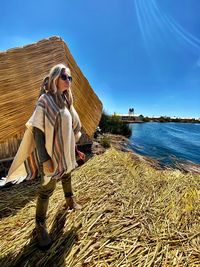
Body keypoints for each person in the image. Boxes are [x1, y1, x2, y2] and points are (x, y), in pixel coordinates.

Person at [7, 63, 85, 249]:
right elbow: (37, 132)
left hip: (65, 154)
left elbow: (69, 133)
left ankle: (69, 201)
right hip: (50, 156)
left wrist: (75, 151)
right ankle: (40, 225)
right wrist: (45, 160)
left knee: (67, 175)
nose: (68, 81)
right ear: (55, 77)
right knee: (46, 191)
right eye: (65, 77)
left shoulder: (66, 103)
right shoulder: (45, 100)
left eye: (70, 78)